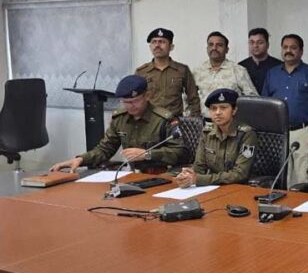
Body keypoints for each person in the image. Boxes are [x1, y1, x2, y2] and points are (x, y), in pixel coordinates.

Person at [50, 75, 186, 172]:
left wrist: (147, 154)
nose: (130, 106)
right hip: (132, 175)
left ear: (147, 96)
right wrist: (80, 160)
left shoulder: (163, 119)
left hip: (162, 176)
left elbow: (179, 152)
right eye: (125, 102)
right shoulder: (120, 119)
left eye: (135, 101)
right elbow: (105, 149)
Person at [262, 34, 308, 185]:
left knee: (302, 177)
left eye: (293, 47)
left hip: (303, 133)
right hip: (277, 133)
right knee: (280, 177)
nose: (288, 51)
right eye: (285, 47)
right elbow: (265, 105)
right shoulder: (272, 74)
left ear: (301, 51)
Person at [175, 89, 257, 187]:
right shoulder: (207, 133)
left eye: (223, 108)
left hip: (238, 187)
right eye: (213, 108)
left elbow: (240, 174)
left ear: (234, 110)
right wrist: (187, 176)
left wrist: (200, 179)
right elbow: (199, 167)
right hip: (213, 186)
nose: (217, 112)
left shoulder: (247, 134)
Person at [135, 28, 200, 117]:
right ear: (150, 47)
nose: (157, 45)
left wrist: (195, 119)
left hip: (174, 120)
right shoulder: (141, 72)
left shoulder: (182, 70)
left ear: (171, 47)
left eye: (162, 42)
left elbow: (193, 98)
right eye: (154, 42)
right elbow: (135, 99)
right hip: (149, 121)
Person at [192, 31, 258, 117]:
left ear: (227, 49)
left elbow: (253, 99)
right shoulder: (197, 72)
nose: (214, 48)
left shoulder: (238, 70)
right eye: (211, 45)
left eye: (219, 45)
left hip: (231, 123)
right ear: (207, 48)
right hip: (203, 122)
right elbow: (187, 98)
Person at [239, 27, 281, 94]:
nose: (255, 45)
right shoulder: (241, 67)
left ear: (267, 45)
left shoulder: (279, 66)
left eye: (260, 42)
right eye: (252, 42)